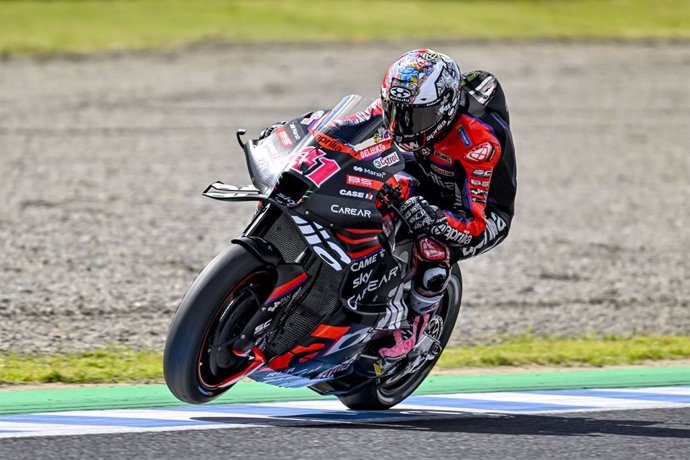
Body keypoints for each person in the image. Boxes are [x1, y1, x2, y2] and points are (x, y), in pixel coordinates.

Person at [260, 49, 516, 359]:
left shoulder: (477, 143)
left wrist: (432, 218)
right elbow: (345, 127)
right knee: (369, 189)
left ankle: (417, 326)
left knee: (432, 247)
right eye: (395, 111)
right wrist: (296, 134)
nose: (402, 125)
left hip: (480, 213)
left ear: (445, 109)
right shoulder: (402, 107)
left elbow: (473, 223)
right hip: (422, 173)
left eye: (415, 117)